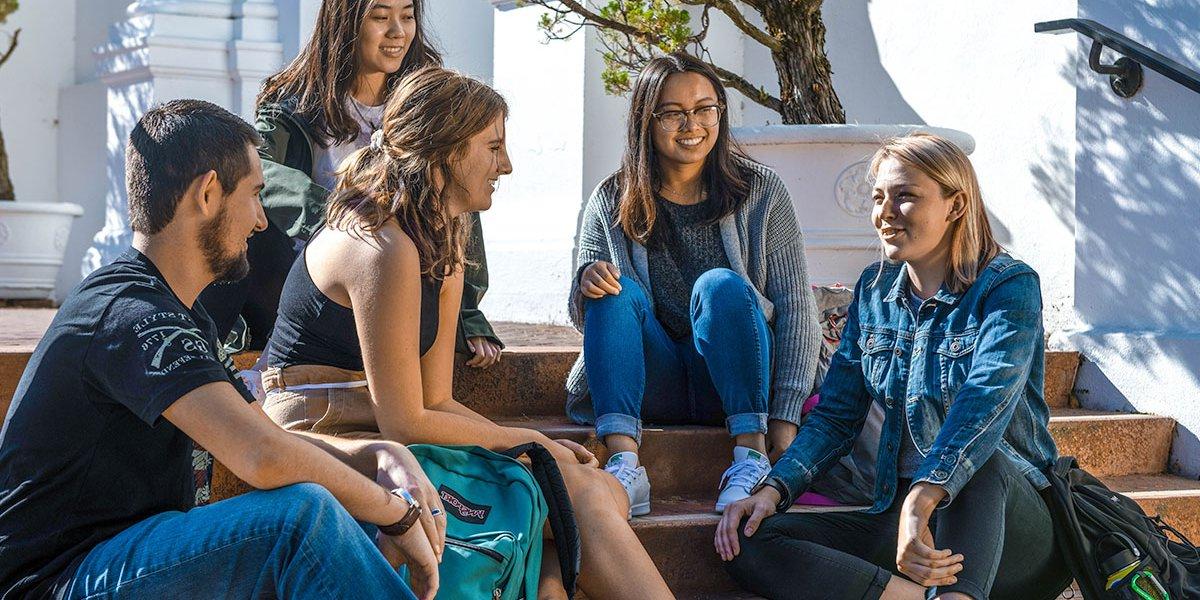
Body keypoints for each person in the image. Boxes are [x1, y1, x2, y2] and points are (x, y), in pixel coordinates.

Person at [0, 100, 448, 599]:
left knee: (344, 509)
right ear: (209, 194)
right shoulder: (131, 312)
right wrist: (398, 512)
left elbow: (263, 433)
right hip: (56, 582)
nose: (261, 222)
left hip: (124, 558)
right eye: (255, 195)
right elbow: (261, 456)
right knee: (299, 520)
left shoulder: (180, 313)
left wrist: (377, 455)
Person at [262, 66, 674, 600]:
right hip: (324, 424)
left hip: (382, 421)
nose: (506, 165)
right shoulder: (381, 245)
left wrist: (538, 448)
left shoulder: (442, 239)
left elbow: (437, 399)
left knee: (600, 491)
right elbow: (407, 421)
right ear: (446, 149)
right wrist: (529, 441)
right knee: (582, 497)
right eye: (493, 146)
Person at [716, 134, 1073, 600]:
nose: (885, 213)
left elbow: (982, 405)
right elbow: (836, 416)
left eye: (905, 196)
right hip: (908, 527)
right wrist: (773, 490)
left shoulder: (1007, 287)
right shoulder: (874, 291)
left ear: (955, 205)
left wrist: (921, 500)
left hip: (1012, 531)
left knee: (980, 462)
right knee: (749, 540)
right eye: (879, 197)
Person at [564, 52, 822, 515]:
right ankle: (625, 466)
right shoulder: (611, 198)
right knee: (613, 290)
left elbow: (798, 308)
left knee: (721, 286)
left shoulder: (762, 191)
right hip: (652, 381)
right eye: (674, 113)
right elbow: (583, 313)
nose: (692, 124)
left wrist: (784, 416)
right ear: (647, 119)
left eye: (705, 108)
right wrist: (588, 281)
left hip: (736, 378)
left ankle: (750, 456)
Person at [198, 0, 504, 369]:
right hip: (309, 275)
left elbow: (459, 191)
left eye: (407, 16)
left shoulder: (426, 102)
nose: (398, 31)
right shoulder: (294, 101)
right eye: (380, 16)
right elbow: (257, 165)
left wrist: (467, 314)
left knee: (450, 174)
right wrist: (334, 217)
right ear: (345, 23)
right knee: (242, 204)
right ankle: (207, 338)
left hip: (398, 274)